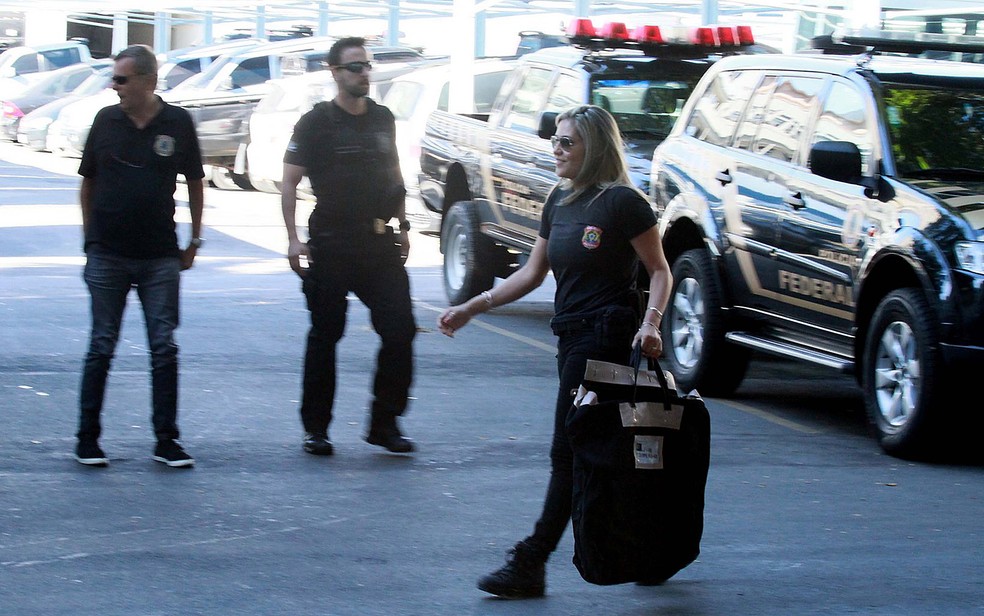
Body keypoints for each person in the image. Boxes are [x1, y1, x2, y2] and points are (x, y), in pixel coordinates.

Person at [437, 104, 672, 598]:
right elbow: (531, 273)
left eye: (568, 142)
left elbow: (659, 270)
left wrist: (651, 323)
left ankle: (532, 561)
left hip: (606, 337)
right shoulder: (560, 202)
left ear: (595, 148)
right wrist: (472, 307)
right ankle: (652, 548)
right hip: (569, 338)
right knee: (603, 450)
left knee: (568, 450)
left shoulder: (623, 203)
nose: (557, 149)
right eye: (556, 141)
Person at [282, 37, 416, 456]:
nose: (364, 73)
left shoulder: (382, 119)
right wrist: (291, 239)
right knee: (326, 333)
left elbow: (394, 173)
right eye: (355, 67)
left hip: (378, 242)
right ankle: (316, 429)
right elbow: (288, 180)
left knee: (400, 330)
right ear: (335, 72)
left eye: (367, 66)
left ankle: (384, 423)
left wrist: (405, 224)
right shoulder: (316, 122)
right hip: (332, 241)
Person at [75, 44, 205, 468]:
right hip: (108, 254)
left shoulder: (177, 122)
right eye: (114, 78)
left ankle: (167, 440)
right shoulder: (106, 120)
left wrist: (194, 241)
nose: (114, 86)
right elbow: (88, 182)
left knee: (163, 347)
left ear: (148, 81)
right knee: (101, 346)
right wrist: (90, 239)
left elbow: (195, 183)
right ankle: (87, 439)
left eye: (122, 79)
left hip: (159, 256)